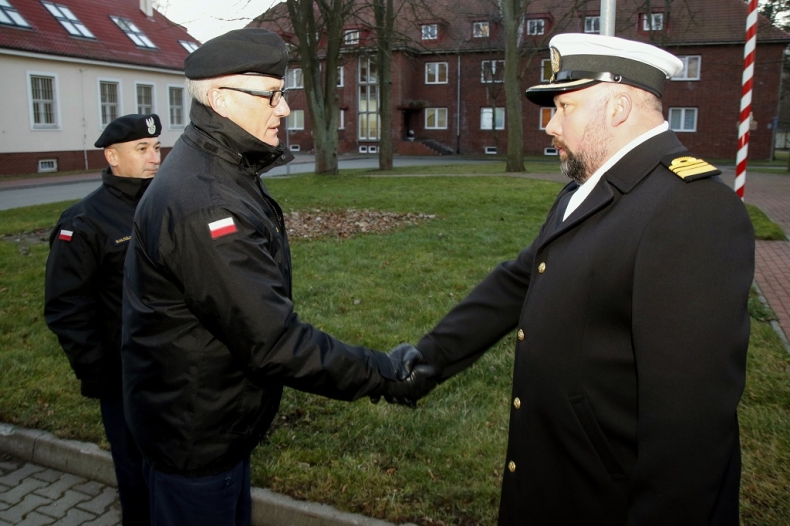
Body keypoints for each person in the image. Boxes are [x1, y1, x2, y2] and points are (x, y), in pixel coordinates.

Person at [412, 33, 755, 525]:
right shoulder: (589, 189)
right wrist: (424, 362)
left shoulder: (690, 208)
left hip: (612, 502)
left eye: (565, 107)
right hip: (559, 484)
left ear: (617, 107)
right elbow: (517, 282)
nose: (550, 125)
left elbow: (690, 427)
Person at [121, 28, 432, 526]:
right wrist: (385, 374)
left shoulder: (216, 170)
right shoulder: (208, 201)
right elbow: (273, 342)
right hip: (196, 437)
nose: (284, 109)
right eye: (270, 94)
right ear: (220, 99)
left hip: (205, 423)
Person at [44, 113, 162, 525]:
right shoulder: (85, 221)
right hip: (124, 376)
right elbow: (66, 308)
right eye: (142, 149)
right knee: (135, 476)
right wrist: (99, 374)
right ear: (112, 156)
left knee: (170, 473)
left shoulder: (163, 205)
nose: (155, 157)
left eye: (157, 147)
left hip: (172, 368)